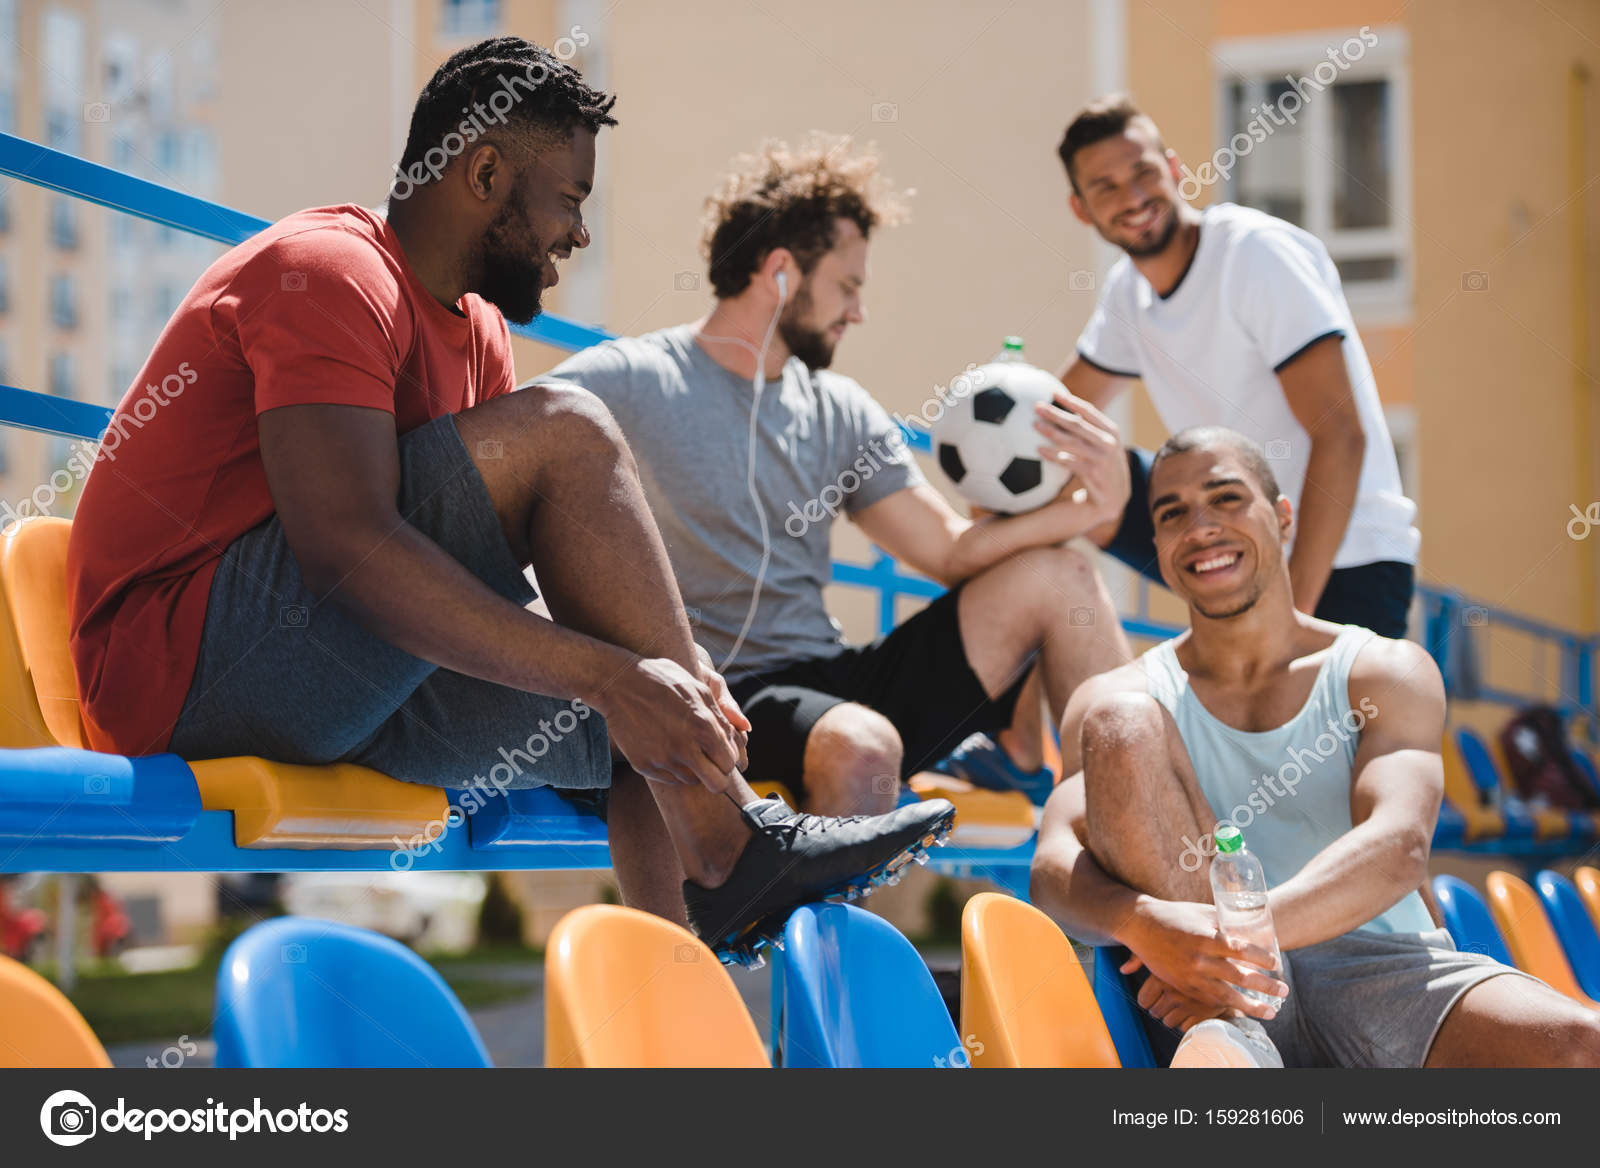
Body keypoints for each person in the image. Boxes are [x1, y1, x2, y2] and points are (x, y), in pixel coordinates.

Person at [65, 37, 952, 964]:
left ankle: (688, 1013)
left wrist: (670, 672)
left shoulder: (480, 330)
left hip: (334, 672)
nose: (579, 233)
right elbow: (344, 542)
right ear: (485, 172)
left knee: (640, 722)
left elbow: (468, 583)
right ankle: (738, 846)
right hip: (182, 672)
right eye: (568, 199)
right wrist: (611, 673)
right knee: (572, 434)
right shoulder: (327, 271)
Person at [539, 136, 1133, 818]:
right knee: (859, 744)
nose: (859, 310)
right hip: (725, 699)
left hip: (835, 684)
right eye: (848, 287)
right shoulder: (632, 378)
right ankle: (831, 930)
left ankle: (1125, 855)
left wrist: (1090, 507)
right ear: (782, 273)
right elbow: (510, 444)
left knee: (1063, 578)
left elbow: (948, 552)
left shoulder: (841, 407)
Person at [1029, 426, 1600, 1067]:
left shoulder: (1382, 671)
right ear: (1158, 545)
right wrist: (1140, 923)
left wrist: (1236, 935)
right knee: (1119, 722)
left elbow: (1399, 846)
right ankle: (1233, 1041)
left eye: (1226, 499)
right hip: (1215, 997)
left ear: (1282, 517)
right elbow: (1052, 867)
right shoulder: (1119, 695)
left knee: (1581, 1047)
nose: (1200, 527)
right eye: (1172, 513)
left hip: (1380, 967)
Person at [946, 92, 1423, 797]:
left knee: (1322, 806)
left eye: (1141, 172)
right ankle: (1017, 742)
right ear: (1083, 209)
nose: (1131, 196)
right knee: (1031, 495)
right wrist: (986, 474)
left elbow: (1341, 434)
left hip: (1343, 554)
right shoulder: (1127, 297)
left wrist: (1290, 623)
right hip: (1218, 523)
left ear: (1173, 168)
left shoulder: (1255, 255)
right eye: (1104, 186)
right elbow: (1052, 422)